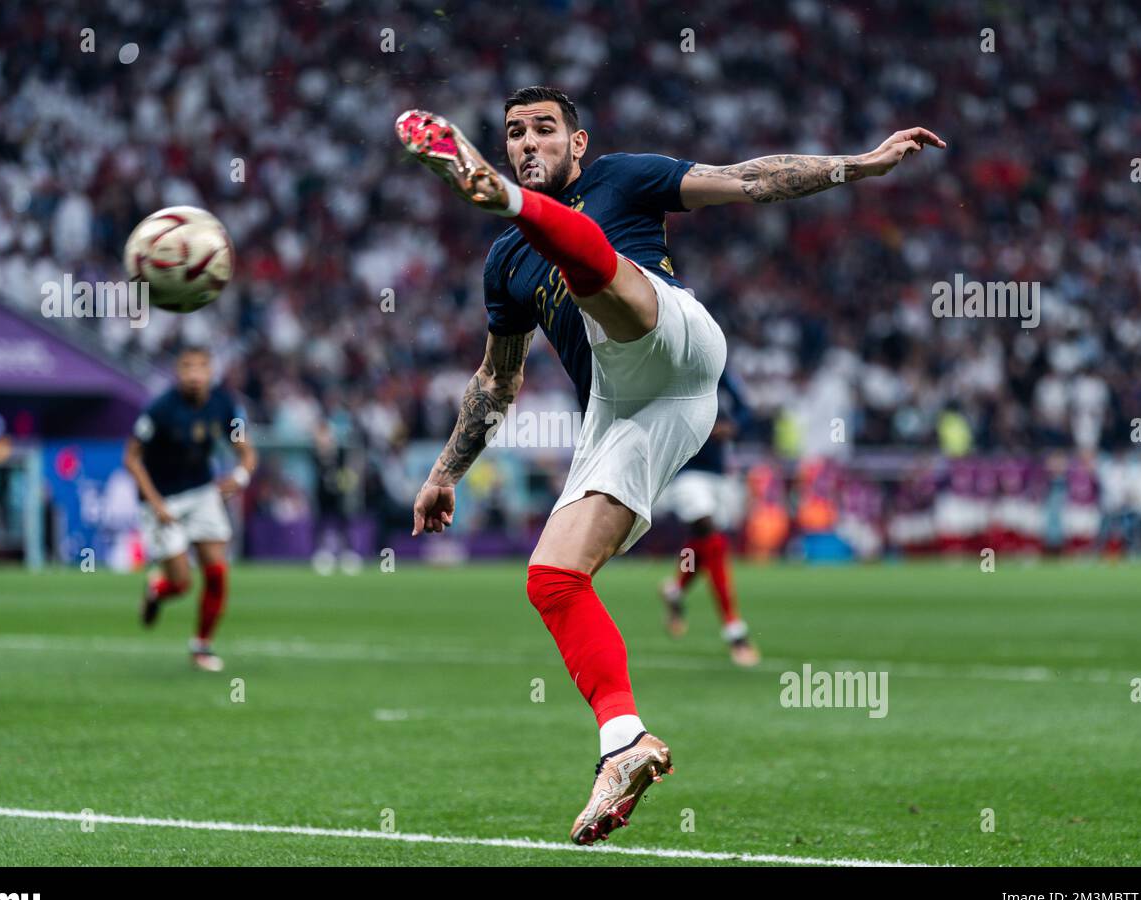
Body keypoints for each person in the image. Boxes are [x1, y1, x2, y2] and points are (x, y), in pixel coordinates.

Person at [398, 86, 943, 843]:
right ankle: (623, 743)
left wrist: (860, 165)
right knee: (552, 578)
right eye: (515, 133)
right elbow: (498, 380)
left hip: (673, 334)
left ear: (577, 144)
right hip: (628, 411)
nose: (529, 143)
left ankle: (513, 203)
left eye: (545, 130)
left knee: (604, 283)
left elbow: (749, 179)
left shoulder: (622, 177)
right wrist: (445, 473)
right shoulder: (504, 263)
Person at [123, 345, 257, 672]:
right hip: (163, 500)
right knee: (181, 584)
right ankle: (156, 590)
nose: (194, 374)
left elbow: (246, 452)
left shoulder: (224, 404)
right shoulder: (160, 410)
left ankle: (201, 645)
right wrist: (156, 504)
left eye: (201, 367)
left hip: (201, 493)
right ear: (177, 373)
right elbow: (132, 457)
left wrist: (240, 476)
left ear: (211, 372)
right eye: (187, 367)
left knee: (216, 570)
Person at [659, 370, 759, 666]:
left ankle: (675, 591)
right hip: (684, 472)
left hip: (718, 473)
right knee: (711, 535)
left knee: (703, 544)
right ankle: (734, 631)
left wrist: (732, 426)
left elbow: (744, 409)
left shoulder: (719, 373)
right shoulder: (670, 369)